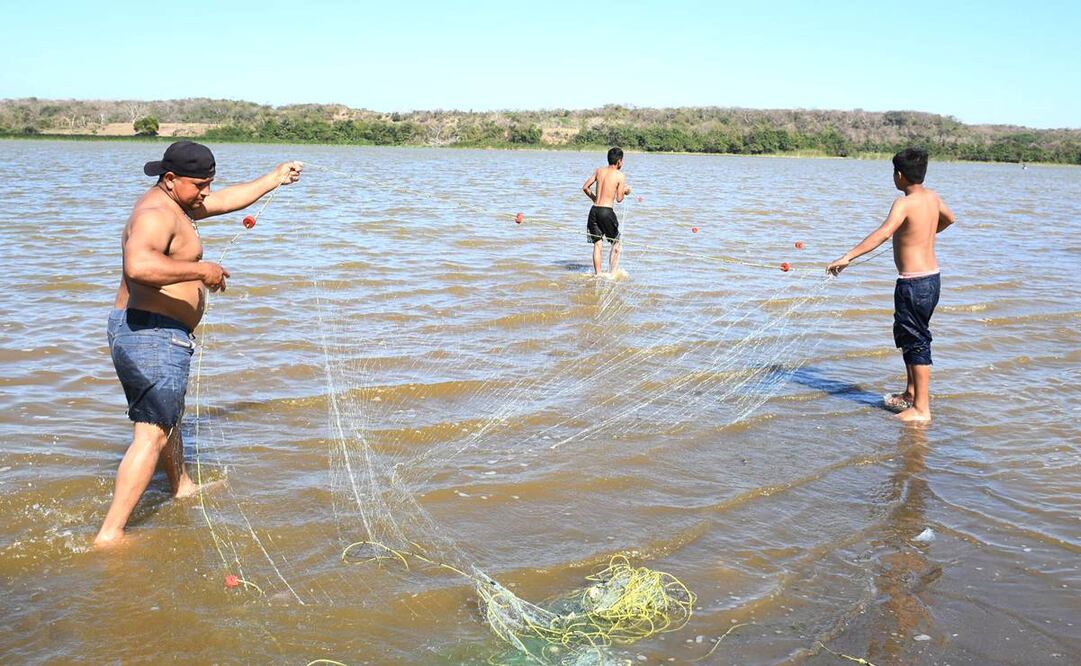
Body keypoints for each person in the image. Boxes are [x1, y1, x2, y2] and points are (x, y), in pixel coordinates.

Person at [96, 141, 302, 547]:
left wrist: (274, 179)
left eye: (208, 183)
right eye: (200, 185)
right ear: (170, 179)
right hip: (150, 334)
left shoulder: (176, 204)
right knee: (152, 431)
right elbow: (138, 266)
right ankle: (110, 534)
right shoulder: (155, 214)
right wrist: (201, 270)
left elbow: (226, 200)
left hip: (154, 332)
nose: (206, 192)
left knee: (168, 417)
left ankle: (182, 486)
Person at [826, 148, 955, 423]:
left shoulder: (903, 203)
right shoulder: (932, 197)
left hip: (913, 283)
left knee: (917, 340)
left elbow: (884, 232)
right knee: (909, 336)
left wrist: (847, 256)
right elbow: (949, 219)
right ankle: (911, 394)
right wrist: (919, 234)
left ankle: (921, 409)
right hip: (932, 280)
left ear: (899, 175)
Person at [581, 147, 631, 275]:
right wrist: (625, 191)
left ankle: (598, 275)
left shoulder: (599, 171)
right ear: (619, 161)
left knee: (597, 244)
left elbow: (585, 187)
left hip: (594, 211)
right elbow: (619, 198)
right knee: (616, 242)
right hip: (606, 212)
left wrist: (595, 199)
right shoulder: (620, 175)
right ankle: (612, 274)